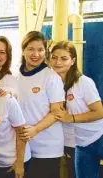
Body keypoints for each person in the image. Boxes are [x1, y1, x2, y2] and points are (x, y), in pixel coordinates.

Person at [50, 41, 103, 178]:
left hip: (99, 136)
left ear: (73, 61)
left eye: (64, 58)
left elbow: (99, 112)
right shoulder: (52, 83)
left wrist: (71, 118)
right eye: (54, 57)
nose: (58, 62)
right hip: (81, 143)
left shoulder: (83, 82)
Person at [16, 31, 65, 178]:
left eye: (40, 50)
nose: (35, 54)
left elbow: (57, 112)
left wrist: (35, 130)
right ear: (23, 50)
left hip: (47, 148)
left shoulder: (51, 77)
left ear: (45, 52)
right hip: (23, 147)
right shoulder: (15, 76)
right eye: (31, 49)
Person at [0, 35, 31, 169]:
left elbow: (14, 93)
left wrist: (9, 92)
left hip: (10, 154)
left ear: (7, 57)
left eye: (2, 52)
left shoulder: (9, 79)